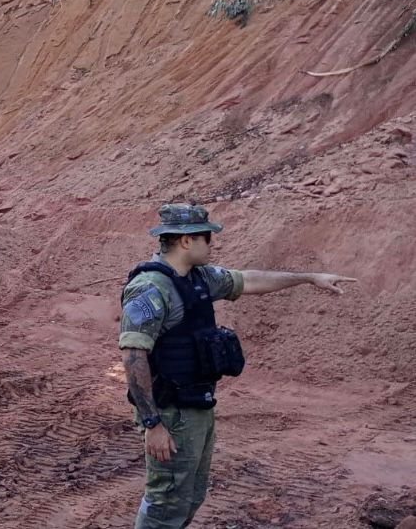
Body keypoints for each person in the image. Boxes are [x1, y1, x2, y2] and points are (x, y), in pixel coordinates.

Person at [119, 203, 356, 529]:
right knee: (166, 503)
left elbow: (248, 280)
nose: (212, 245)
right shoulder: (151, 287)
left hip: (197, 404)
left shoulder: (198, 278)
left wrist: (309, 278)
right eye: (207, 238)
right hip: (170, 412)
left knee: (191, 496)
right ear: (186, 241)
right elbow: (133, 357)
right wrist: (152, 423)